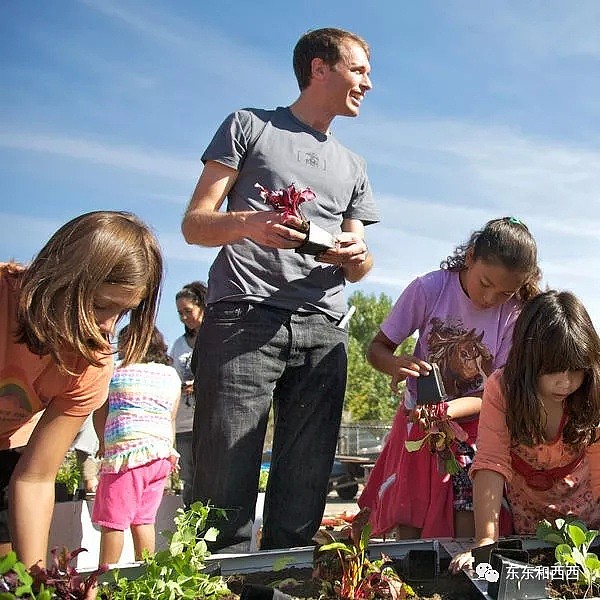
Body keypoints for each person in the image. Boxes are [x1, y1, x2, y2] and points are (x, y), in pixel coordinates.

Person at [181, 27, 378, 551]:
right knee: (222, 482)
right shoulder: (248, 125)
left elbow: (359, 263)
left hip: (324, 330)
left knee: (306, 485)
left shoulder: (354, 166)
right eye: (359, 69)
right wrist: (249, 223)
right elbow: (194, 225)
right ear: (320, 69)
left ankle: (285, 578)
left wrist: (357, 256)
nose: (368, 83)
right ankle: (216, 582)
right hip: (243, 317)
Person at [358, 217, 541, 540]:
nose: (489, 299)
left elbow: (496, 394)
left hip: (478, 425)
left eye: (504, 293)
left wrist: (449, 412)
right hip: (420, 420)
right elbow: (377, 349)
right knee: (411, 507)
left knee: (468, 508)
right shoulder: (429, 289)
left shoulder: (514, 313)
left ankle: (464, 573)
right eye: (485, 283)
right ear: (470, 257)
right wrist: (394, 364)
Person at [0, 210, 162, 569]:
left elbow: (34, 478)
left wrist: (36, 579)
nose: (107, 327)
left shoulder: (92, 362)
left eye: (123, 312)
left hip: (8, 446)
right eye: (101, 305)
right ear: (61, 278)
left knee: (10, 571)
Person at [450, 290, 600, 572]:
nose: (566, 382)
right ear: (528, 360)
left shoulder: (591, 392)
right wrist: (485, 540)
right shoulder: (503, 389)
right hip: (529, 520)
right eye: (554, 369)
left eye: (576, 370)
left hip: (587, 519)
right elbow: (490, 464)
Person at [93, 325, 180, 565]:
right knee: (143, 519)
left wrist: (103, 442)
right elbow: (170, 417)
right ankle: (146, 575)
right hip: (161, 455)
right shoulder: (170, 375)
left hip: (127, 455)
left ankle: (103, 580)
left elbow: (100, 411)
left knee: (113, 521)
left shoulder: (116, 372)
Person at [168, 281, 207, 506]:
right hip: (184, 423)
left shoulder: (215, 337)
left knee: (211, 477)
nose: (184, 317)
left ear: (202, 306)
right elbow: (172, 377)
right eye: (180, 313)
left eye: (188, 311)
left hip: (209, 420)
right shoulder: (179, 344)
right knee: (189, 481)